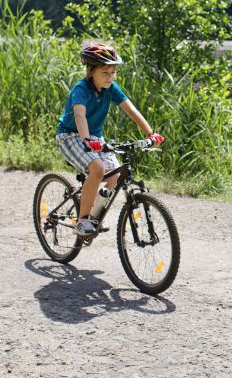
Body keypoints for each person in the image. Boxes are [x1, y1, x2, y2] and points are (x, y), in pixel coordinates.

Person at [56, 41, 161, 236]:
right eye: (105, 72)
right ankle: (82, 221)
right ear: (91, 71)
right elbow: (79, 116)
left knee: (116, 174)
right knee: (98, 169)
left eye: (113, 72)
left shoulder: (111, 88)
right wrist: (87, 140)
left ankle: (95, 213)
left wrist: (150, 133)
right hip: (71, 136)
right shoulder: (81, 89)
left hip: (95, 137)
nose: (110, 77)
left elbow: (130, 109)